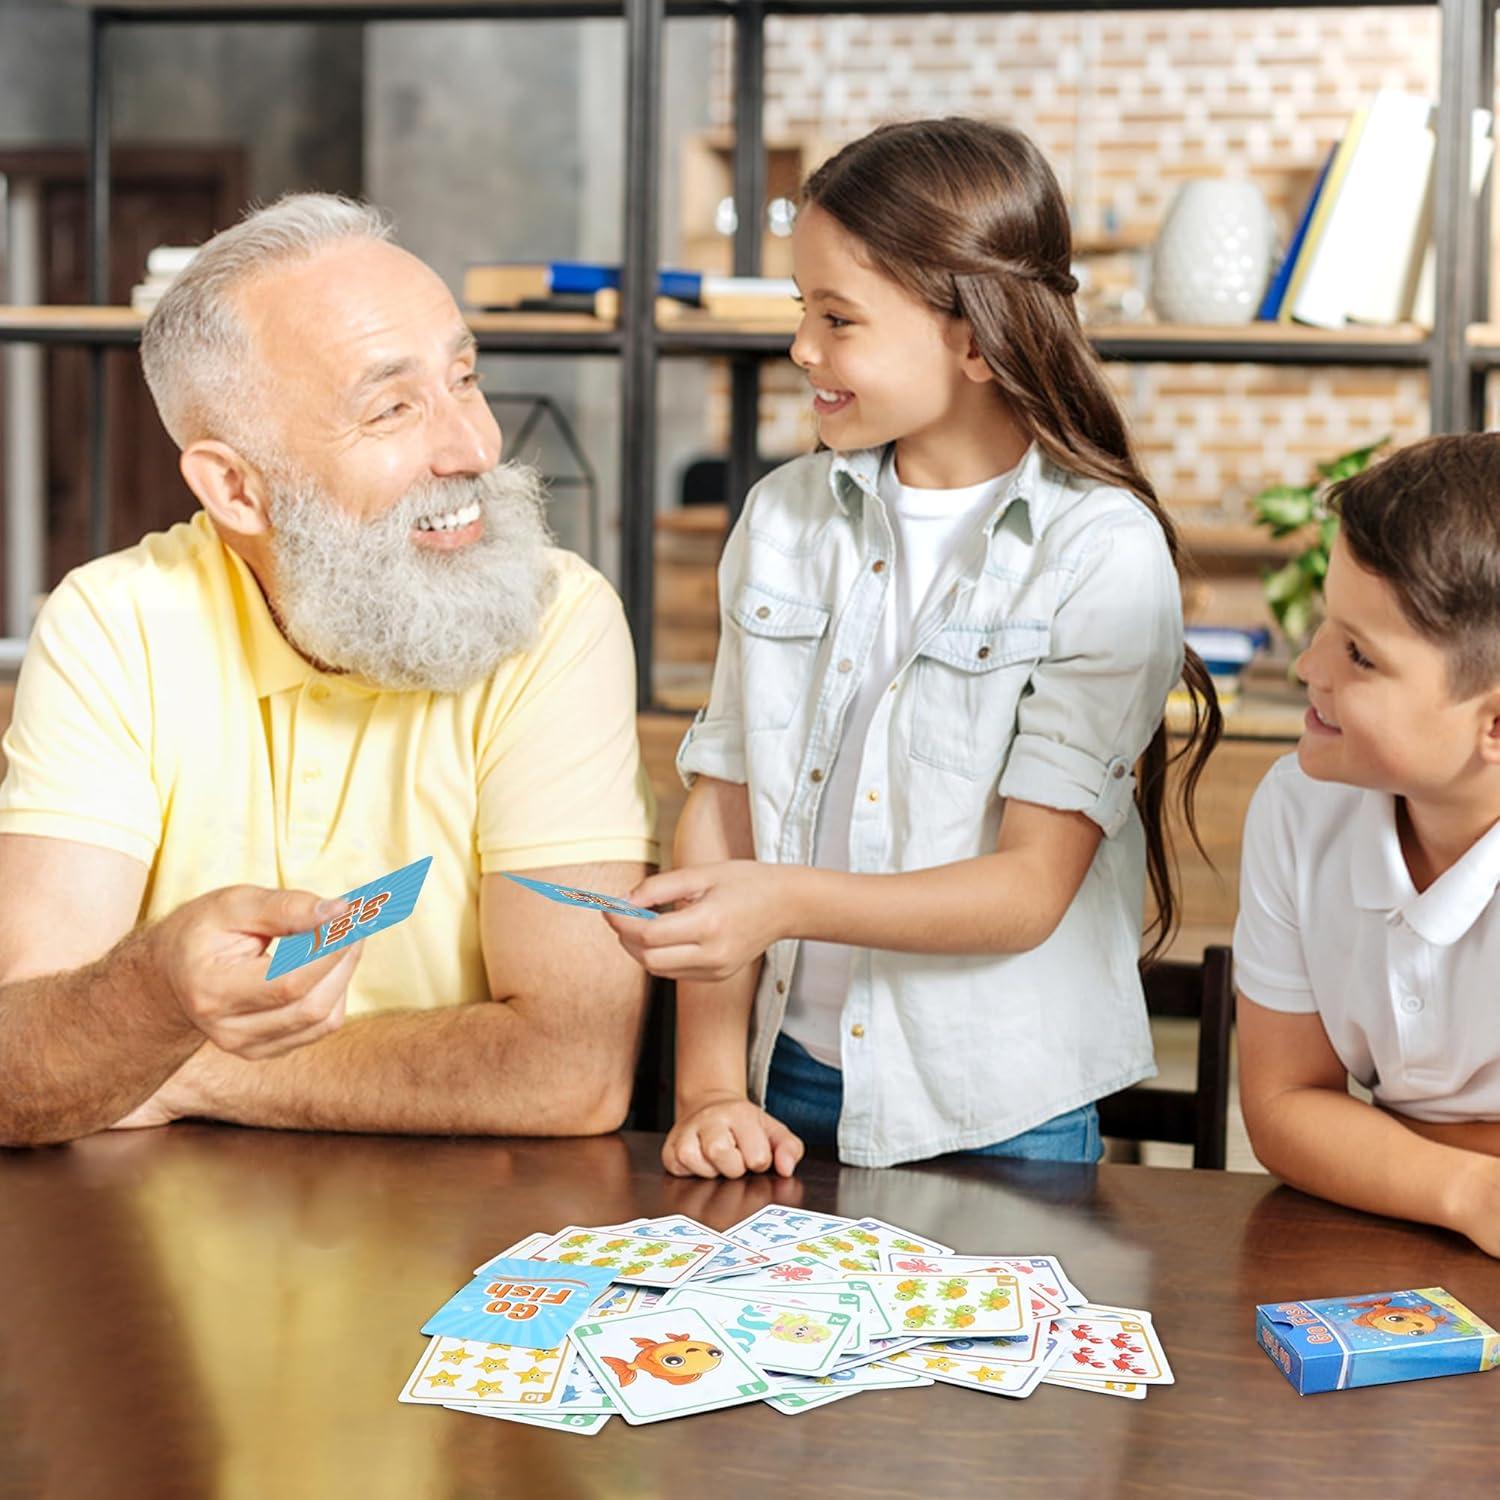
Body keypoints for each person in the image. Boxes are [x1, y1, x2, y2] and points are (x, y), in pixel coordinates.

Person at [606, 119, 1220, 1175]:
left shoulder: (1101, 552)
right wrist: (709, 1087)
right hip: (783, 1077)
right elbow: (726, 796)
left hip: (1000, 1109)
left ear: (976, 339)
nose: (803, 349)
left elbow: (1028, 891)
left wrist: (783, 899)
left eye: (839, 318)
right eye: (804, 310)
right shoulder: (783, 517)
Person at [0, 193, 657, 1148]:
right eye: (391, 407)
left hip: (459, 1241)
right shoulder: (113, 620)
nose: (475, 445)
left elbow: (569, 1072)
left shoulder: (557, 613)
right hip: (143, 1248)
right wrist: (153, 984)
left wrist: (170, 1058)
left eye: (464, 377)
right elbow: (19, 1067)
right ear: (235, 488)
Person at [1234, 434, 1500, 1257]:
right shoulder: (1299, 805)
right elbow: (1284, 1107)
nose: (1309, 666)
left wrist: (1374, 1148)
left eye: (1360, 655)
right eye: (1327, 624)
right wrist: (1471, 1189)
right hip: (1411, 1239)